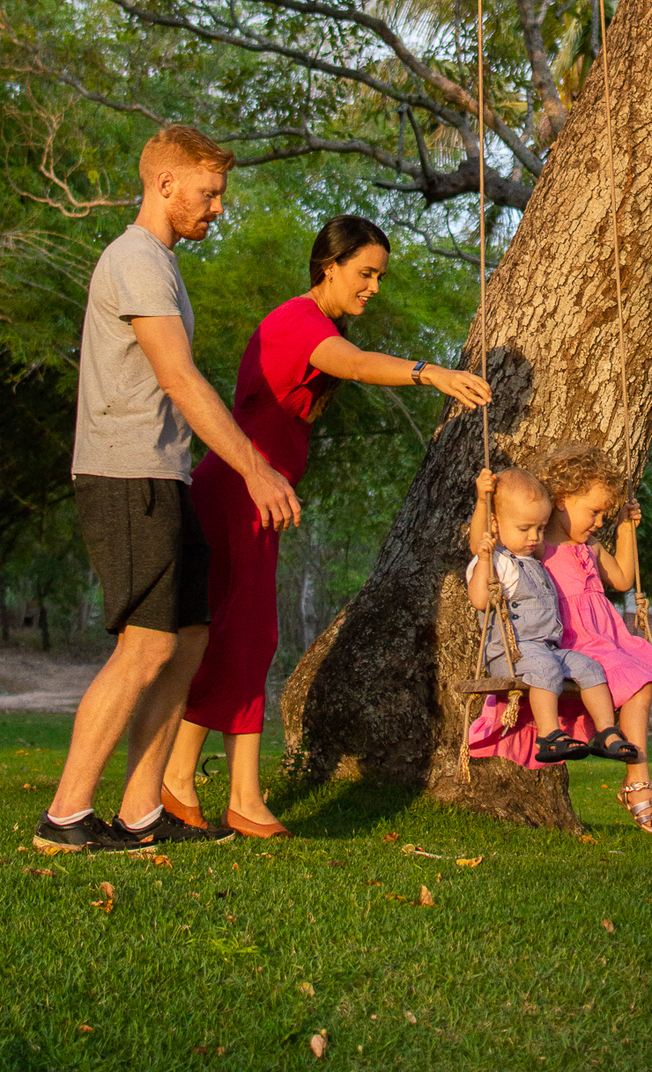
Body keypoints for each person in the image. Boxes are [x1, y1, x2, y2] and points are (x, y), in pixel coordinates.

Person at [163, 215, 492, 837]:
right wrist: (433, 374)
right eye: (364, 273)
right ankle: (229, 794)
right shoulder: (297, 320)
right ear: (328, 267)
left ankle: (188, 784)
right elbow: (359, 364)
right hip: (240, 490)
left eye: (379, 277)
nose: (373, 287)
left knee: (241, 635)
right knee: (251, 634)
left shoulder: (310, 323)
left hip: (251, 493)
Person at [35, 126, 301, 856]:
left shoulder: (161, 265)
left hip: (162, 474)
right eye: (208, 193)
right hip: (125, 476)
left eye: (220, 194)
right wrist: (254, 466)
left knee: (186, 638)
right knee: (146, 644)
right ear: (165, 185)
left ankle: (142, 809)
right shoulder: (136, 262)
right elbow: (178, 378)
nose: (217, 208)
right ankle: (63, 817)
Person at [470, 442, 652, 836]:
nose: (598, 522)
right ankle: (637, 784)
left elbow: (624, 580)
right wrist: (482, 503)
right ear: (561, 500)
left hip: (614, 638)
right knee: (639, 686)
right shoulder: (537, 548)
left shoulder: (590, 547)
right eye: (593, 512)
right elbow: (483, 548)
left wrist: (626, 528)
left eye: (603, 515)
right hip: (579, 641)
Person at [467, 467, 639, 765]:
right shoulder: (495, 562)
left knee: (590, 668)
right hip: (513, 652)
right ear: (495, 526)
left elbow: (621, 577)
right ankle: (549, 736)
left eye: (540, 528)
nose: (534, 537)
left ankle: (607, 733)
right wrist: (483, 504)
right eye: (525, 529)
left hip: (548, 647)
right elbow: (480, 599)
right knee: (546, 670)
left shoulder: (532, 558)